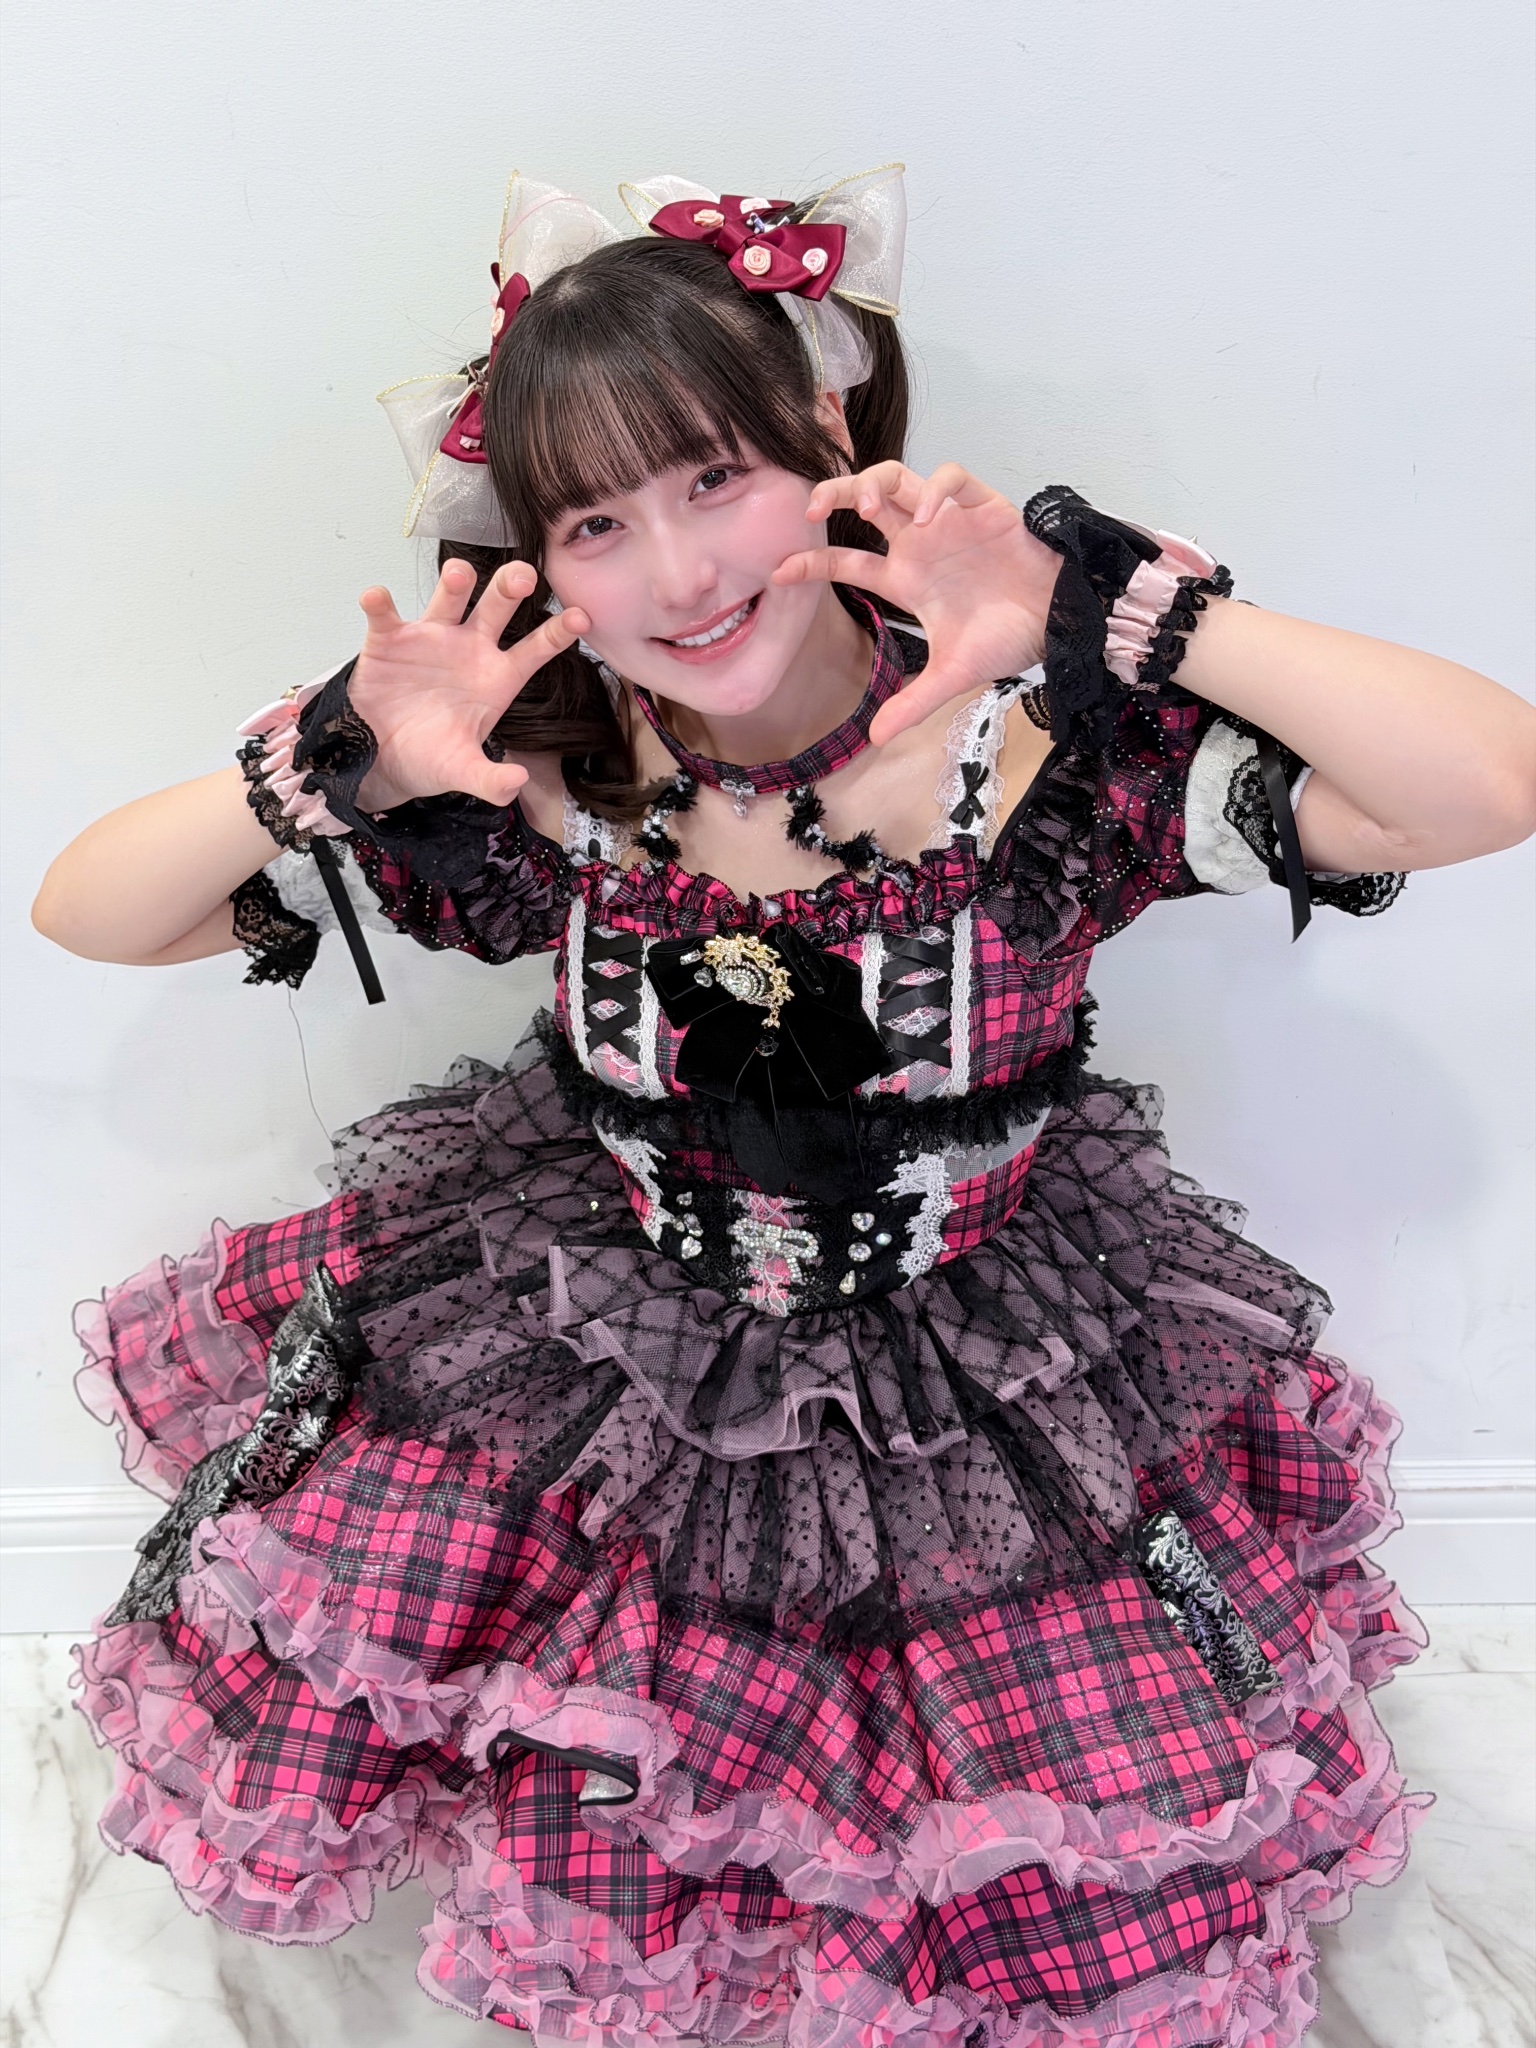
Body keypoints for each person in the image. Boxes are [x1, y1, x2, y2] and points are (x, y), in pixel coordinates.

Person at [32, 167, 1536, 2046]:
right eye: (596, 523)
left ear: (830, 434)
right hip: (621, 1353)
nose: (679, 576)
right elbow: (93, 913)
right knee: (632, 1773)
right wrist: (337, 757)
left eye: (717, 479)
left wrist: (1117, 612)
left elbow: (1484, 783)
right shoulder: (536, 782)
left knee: (1018, 1804)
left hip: (980, 1381)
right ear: (537, 561)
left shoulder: (1043, 765)